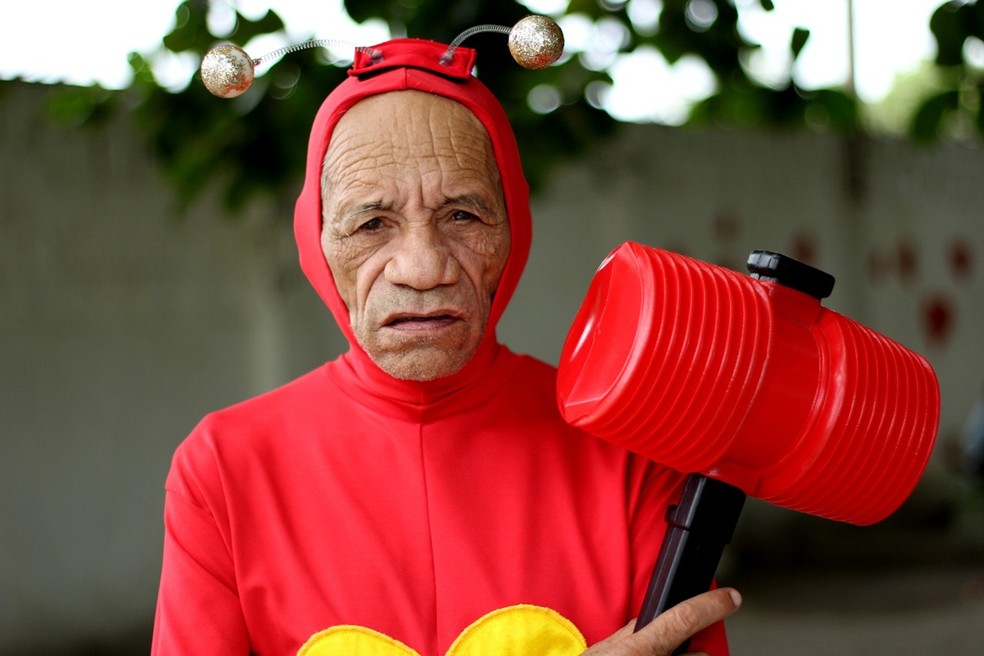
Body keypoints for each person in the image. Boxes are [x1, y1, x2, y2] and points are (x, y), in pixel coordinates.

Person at [151, 37, 739, 655]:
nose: (423, 267)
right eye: (371, 223)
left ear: (513, 228)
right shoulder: (223, 468)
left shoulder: (628, 451)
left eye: (463, 215)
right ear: (315, 238)